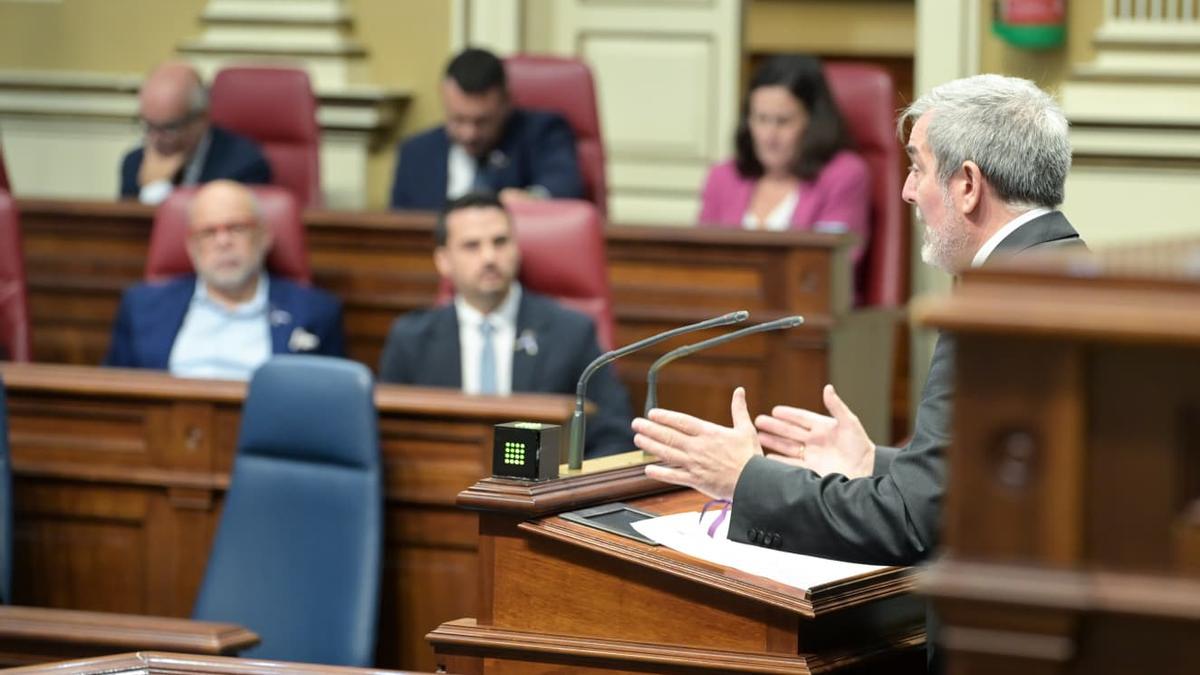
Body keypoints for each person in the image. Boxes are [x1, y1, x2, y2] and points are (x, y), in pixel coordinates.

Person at [633, 74, 1085, 564]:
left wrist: (744, 479)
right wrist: (874, 462)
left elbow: (911, 523)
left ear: (969, 185)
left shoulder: (991, 312)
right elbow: (1000, 475)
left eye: (918, 167)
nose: (909, 192)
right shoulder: (1076, 269)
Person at [378, 192, 633, 458]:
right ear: (443, 261)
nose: (489, 257)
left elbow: (614, 435)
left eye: (500, 242)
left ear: (516, 248)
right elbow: (389, 438)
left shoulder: (570, 333)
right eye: (472, 246)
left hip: (546, 492)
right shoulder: (411, 340)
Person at [105, 180, 344, 378]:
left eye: (237, 228)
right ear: (191, 246)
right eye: (208, 232)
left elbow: (330, 405)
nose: (223, 242)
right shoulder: (142, 307)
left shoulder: (316, 312)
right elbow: (115, 397)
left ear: (264, 236)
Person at [698, 55, 870, 258]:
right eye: (761, 119)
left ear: (813, 122)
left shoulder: (844, 175)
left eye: (783, 121)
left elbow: (832, 265)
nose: (769, 136)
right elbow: (701, 261)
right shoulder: (723, 177)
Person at [389, 48, 584, 211]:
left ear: (506, 102)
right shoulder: (415, 153)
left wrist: (531, 200)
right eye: (458, 119)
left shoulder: (542, 133)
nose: (469, 133)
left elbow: (564, 185)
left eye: (482, 121)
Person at [120, 62, 272, 205]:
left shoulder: (244, 165)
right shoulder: (134, 163)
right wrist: (150, 190)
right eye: (148, 126)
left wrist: (157, 191)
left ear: (202, 118)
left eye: (169, 128)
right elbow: (127, 230)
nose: (155, 138)